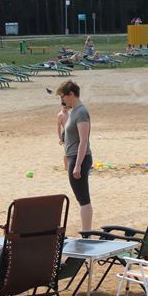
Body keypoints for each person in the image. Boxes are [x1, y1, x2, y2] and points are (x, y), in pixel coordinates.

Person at [56, 80, 93, 231]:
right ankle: (86, 232)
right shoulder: (74, 111)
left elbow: (84, 140)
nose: (62, 100)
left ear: (71, 94)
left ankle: (86, 233)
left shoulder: (81, 112)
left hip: (79, 158)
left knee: (83, 199)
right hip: (73, 157)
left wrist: (77, 165)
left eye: (63, 96)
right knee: (82, 198)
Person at [57, 102, 71, 171]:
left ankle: (71, 164)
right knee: (66, 151)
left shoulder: (69, 113)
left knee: (73, 149)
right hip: (65, 134)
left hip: (71, 133)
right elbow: (59, 127)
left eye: (68, 107)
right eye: (65, 107)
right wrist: (60, 138)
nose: (67, 109)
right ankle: (66, 167)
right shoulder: (60, 115)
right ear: (62, 106)